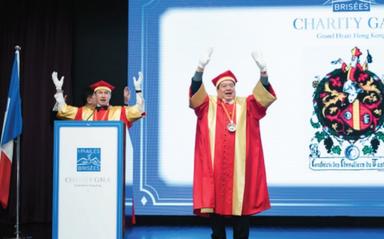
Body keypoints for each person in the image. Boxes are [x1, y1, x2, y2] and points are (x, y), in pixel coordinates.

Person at [189, 48, 276, 239]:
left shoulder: (247, 105)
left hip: (240, 174)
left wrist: (263, 73)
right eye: (224, 86)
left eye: (231, 85)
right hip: (215, 172)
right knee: (217, 221)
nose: (228, 88)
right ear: (217, 90)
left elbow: (264, 97)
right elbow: (195, 92)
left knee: (242, 219)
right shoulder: (207, 105)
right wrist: (200, 69)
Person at [52, 71, 145, 127]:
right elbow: (63, 110)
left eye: (106, 93)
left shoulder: (120, 112)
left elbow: (139, 110)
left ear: (110, 96)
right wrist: (59, 89)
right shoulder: (84, 112)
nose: (103, 96)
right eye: (100, 93)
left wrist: (138, 89)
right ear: (95, 96)